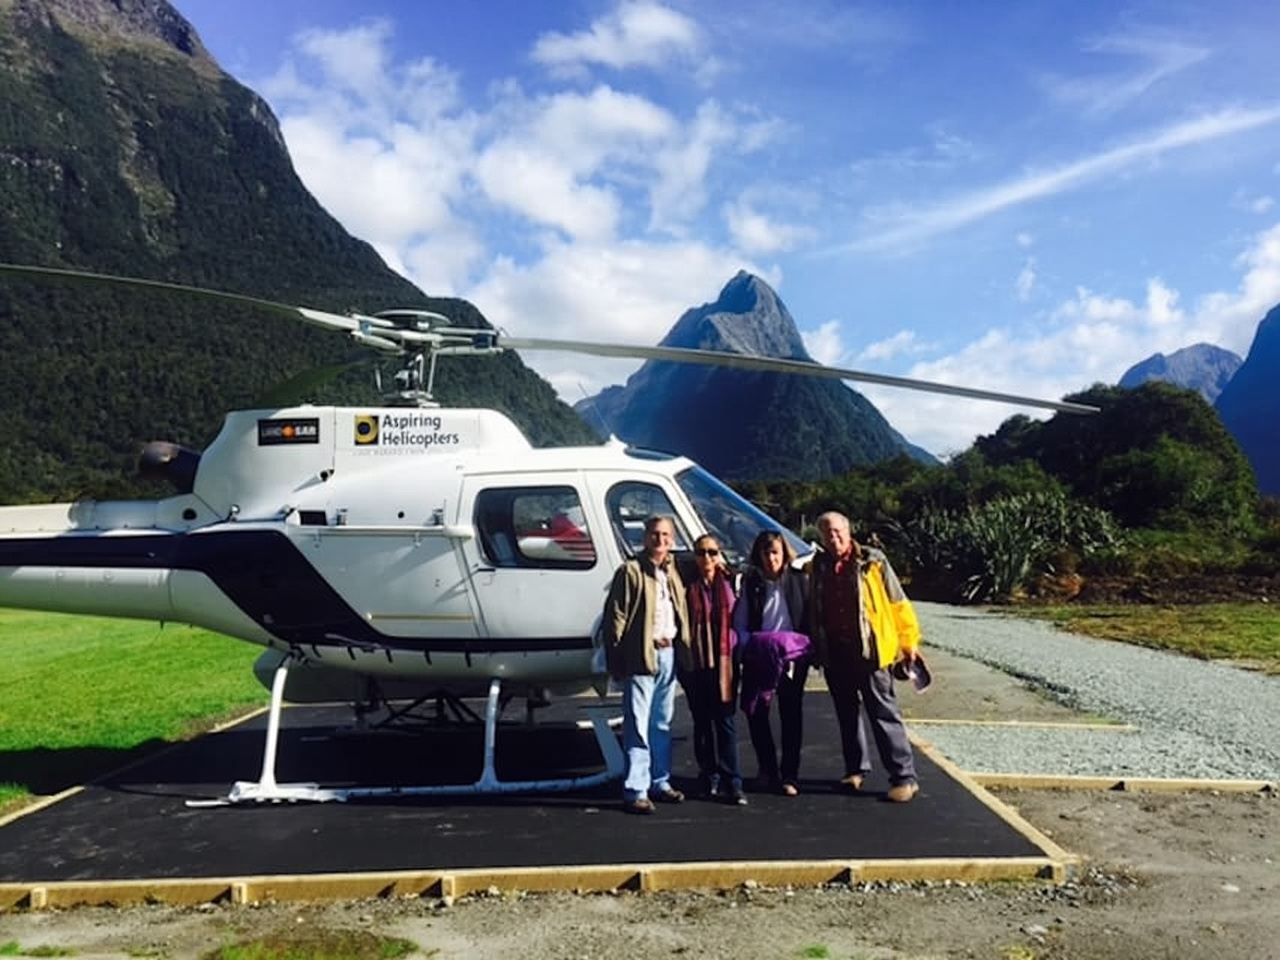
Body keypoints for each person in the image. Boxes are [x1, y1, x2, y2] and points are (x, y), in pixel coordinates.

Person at [809, 511, 921, 803]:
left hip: (871, 652)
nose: (833, 538)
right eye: (826, 533)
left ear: (848, 531)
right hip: (835, 651)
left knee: (883, 713)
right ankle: (855, 770)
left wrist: (909, 642)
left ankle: (904, 777)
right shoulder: (817, 566)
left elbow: (898, 602)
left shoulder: (873, 561)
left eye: (837, 531)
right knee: (847, 715)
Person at [602, 514, 691, 814]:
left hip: (668, 654)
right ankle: (636, 789)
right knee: (637, 724)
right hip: (642, 654)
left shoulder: (672, 572)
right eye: (655, 534)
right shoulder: (630, 572)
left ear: (673, 540)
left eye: (666, 535)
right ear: (645, 537)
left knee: (661, 722)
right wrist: (617, 658)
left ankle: (660, 781)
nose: (660, 540)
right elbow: (615, 618)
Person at [733, 529, 810, 797]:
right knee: (756, 713)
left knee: (791, 714)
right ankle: (767, 770)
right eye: (765, 553)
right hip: (759, 654)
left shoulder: (800, 581)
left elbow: (809, 617)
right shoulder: (751, 584)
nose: (771, 558)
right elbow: (740, 621)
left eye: (775, 552)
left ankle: (790, 775)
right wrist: (746, 644)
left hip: (791, 658)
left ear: (783, 553)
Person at [679, 534, 746, 806]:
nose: (706, 558)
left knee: (726, 723)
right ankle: (709, 776)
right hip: (696, 662)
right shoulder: (686, 584)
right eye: (701, 552)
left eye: (712, 552)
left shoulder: (732, 582)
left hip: (725, 663)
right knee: (702, 723)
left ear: (720, 554)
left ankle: (733, 781)